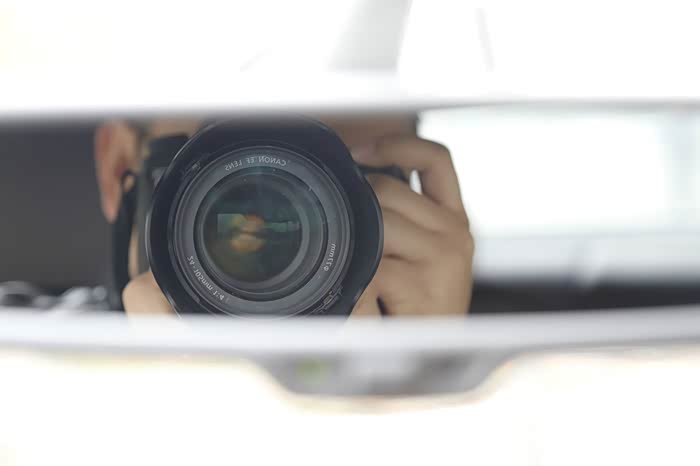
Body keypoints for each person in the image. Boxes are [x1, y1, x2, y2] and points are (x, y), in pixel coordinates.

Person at [94, 115, 474, 317]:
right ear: (118, 166)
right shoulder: (59, 362)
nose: (260, 220)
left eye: (344, 179)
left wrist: (419, 374)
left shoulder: (484, 369)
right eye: (230, 193)